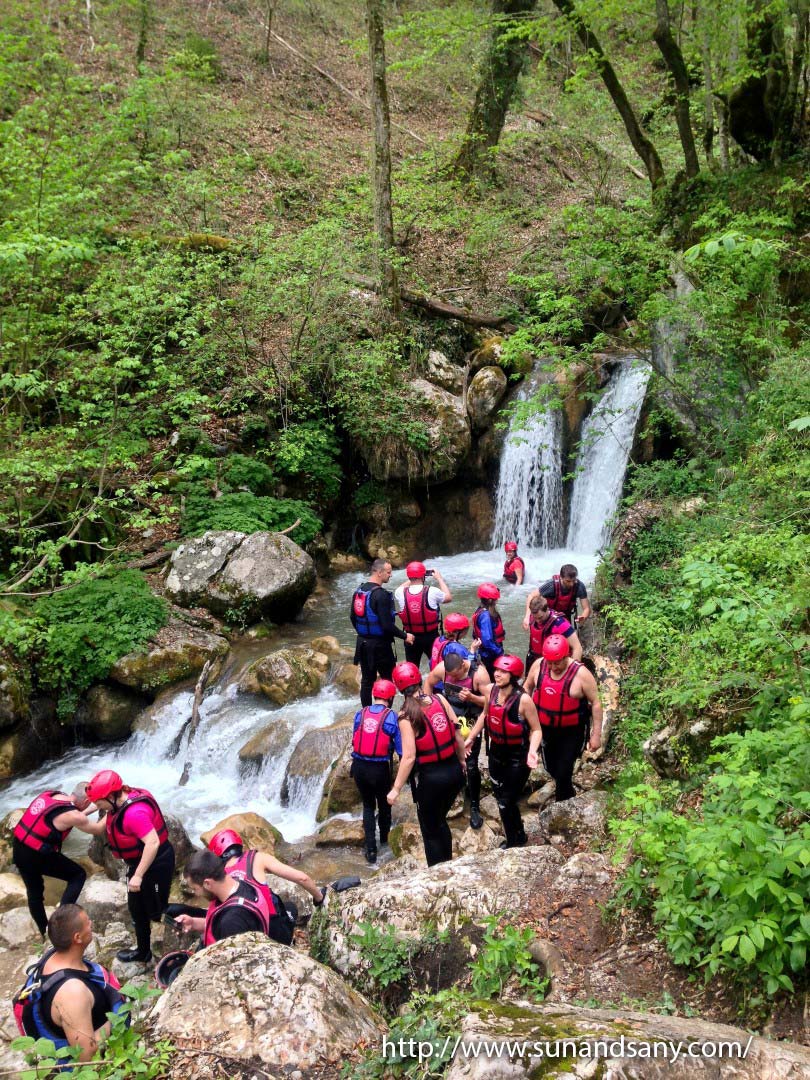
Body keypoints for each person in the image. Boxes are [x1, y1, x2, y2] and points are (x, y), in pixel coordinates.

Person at [13, 904, 126, 1064]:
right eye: (87, 922)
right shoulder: (72, 992)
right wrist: (119, 1017)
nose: (91, 924)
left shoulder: (54, 956)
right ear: (77, 938)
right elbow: (86, 1055)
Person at [84, 770, 174, 964]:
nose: (98, 808)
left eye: (99, 804)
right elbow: (98, 827)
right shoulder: (120, 800)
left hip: (156, 862)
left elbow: (153, 843)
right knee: (137, 909)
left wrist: (138, 875)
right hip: (140, 862)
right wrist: (79, 816)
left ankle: (199, 919)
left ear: (110, 796)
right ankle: (143, 952)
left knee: (158, 910)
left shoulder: (134, 814)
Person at [386, 661, 466, 867]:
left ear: (399, 688)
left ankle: (437, 871)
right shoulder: (440, 699)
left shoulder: (405, 716)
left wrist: (395, 789)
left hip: (432, 779)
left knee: (430, 829)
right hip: (454, 773)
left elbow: (409, 757)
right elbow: (457, 733)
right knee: (440, 820)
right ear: (419, 680)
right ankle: (448, 864)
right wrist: (462, 760)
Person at [465, 655, 542, 849]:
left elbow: (536, 730)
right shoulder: (491, 691)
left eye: (503, 671)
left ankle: (514, 843)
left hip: (518, 757)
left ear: (513, 675)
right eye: (497, 670)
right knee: (502, 798)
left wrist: (533, 751)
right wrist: (471, 737)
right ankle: (519, 834)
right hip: (496, 753)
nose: (497, 674)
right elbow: (485, 715)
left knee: (506, 801)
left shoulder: (524, 700)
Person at [523, 634, 603, 802]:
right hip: (545, 728)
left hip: (572, 731)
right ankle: (567, 793)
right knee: (551, 768)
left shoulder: (581, 674)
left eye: (557, 663)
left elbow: (596, 703)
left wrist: (596, 735)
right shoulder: (538, 665)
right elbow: (527, 687)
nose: (553, 667)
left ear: (567, 656)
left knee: (564, 771)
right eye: (550, 662)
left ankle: (562, 805)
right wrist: (522, 716)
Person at [12, 783, 97, 937]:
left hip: (19, 847)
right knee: (77, 875)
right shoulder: (73, 815)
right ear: (86, 801)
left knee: (34, 893)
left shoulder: (53, 795)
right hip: (37, 855)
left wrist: (95, 807)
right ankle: (62, 922)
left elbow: (69, 817)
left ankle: (45, 932)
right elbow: (97, 828)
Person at [425, 650, 489, 830]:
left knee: (471, 764)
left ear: (463, 665)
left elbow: (490, 702)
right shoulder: (442, 669)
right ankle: (453, 793)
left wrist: (472, 697)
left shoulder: (479, 674)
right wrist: (429, 708)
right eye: (450, 676)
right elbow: (428, 683)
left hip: (471, 721)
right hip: (450, 719)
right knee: (447, 758)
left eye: (456, 675)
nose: (453, 679)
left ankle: (474, 805)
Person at [178, 849, 296, 946]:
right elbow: (218, 926)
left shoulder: (231, 922)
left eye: (195, 889)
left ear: (207, 883)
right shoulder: (241, 882)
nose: (196, 894)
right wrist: (193, 923)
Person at [349, 678, 402, 863]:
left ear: (374, 695)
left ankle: (371, 850)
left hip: (359, 767)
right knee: (384, 804)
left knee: (368, 805)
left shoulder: (360, 713)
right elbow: (401, 750)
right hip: (379, 769)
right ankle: (385, 840)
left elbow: (355, 739)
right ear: (391, 698)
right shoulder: (392, 717)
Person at [351, 558, 414, 707]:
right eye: (388, 572)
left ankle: (366, 713)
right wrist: (405, 636)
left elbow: (352, 618)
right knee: (388, 680)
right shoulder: (381, 595)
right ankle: (385, 714)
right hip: (380, 646)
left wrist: (364, 634)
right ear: (379, 573)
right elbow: (387, 626)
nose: (390, 575)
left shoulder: (359, 591)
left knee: (367, 681)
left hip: (362, 643)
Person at [207, 828, 326, 907]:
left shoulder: (216, 878)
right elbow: (302, 878)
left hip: (238, 925)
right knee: (290, 908)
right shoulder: (258, 857)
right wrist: (319, 898)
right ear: (239, 845)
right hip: (268, 924)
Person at [394, 561, 452, 667]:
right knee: (437, 666)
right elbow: (448, 597)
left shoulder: (399, 592)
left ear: (408, 576)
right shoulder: (432, 591)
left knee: (412, 668)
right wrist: (439, 578)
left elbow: (400, 587)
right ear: (423, 576)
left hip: (410, 637)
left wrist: (413, 576)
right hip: (431, 637)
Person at [525, 594, 582, 672]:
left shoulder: (560, 624)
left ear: (547, 609)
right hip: (535, 658)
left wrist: (572, 671)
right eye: (535, 618)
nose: (538, 621)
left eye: (540, 617)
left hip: (554, 663)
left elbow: (577, 647)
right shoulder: (532, 617)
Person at [524, 564, 591, 627]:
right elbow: (531, 596)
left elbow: (586, 608)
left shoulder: (579, 586)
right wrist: (527, 617)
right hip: (548, 615)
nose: (571, 584)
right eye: (568, 581)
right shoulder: (551, 585)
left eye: (574, 580)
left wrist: (583, 617)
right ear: (561, 577)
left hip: (565, 616)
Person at [472, 583, 505, 679]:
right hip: (490, 654)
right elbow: (487, 640)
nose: (497, 600)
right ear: (490, 600)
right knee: (494, 678)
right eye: (496, 599)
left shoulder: (480, 610)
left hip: (485, 652)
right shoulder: (485, 616)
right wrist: (499, 652)